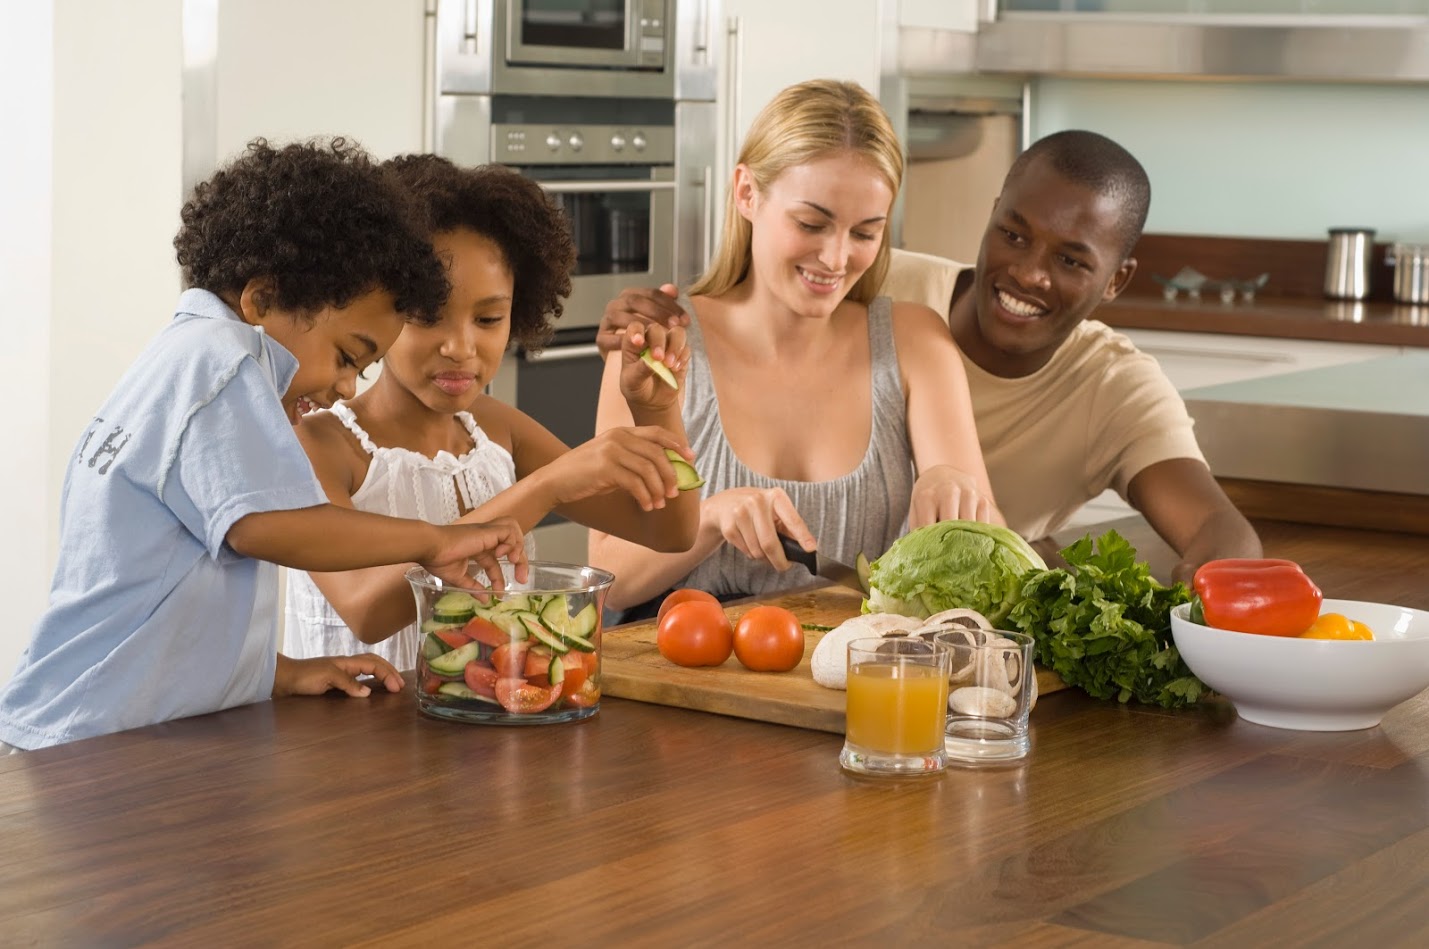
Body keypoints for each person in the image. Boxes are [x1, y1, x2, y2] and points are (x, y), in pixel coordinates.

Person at [0, 139, 528, 752]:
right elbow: (269, 527)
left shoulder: (182, 358)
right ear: (262, 300)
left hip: (102, 724)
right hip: (95, 741)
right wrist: (435, 540)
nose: (343, 387)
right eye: (346, 356)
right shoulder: (225, 362)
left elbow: (159, 590)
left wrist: (274, 673)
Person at [604, 129, 1262, 584]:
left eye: (1069, 260)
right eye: (1013, 234)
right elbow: (760, 290)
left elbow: (1215, 528)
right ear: (990, 218)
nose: (1029, 275)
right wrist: (644, 321)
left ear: (1115, 281)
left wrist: (1014, 545)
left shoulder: (1107, 384)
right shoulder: (864, 287)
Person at [589, 79, 999, 617]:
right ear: (746, 193)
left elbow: (992, 557)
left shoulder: (917, 343)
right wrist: (707, 519)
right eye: (812, 223)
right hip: (683, 669)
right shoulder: (660, 344)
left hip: (856, 672)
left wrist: (954, 484)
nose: (835, 258)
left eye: (865, 233)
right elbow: (605, 582)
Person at [285, 156, 699, 670]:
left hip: (490, 722)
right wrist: (545, 487)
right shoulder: (319, 444)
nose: (461, 346)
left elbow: (671, 534)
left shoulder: (497, 430)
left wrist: (654, 407)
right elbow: (366, 610)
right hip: (353, 739)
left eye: (488, 318)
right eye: (429, 316)